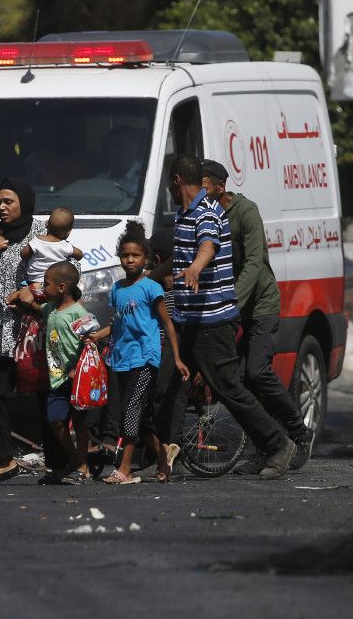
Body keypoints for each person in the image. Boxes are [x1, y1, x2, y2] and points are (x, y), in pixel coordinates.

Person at [164, 154, 296, 479]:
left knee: (229, 389)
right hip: (188, 321)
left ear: (177, 181)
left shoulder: (206, 213)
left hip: (212, 322)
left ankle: (279, 444)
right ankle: (170, 456)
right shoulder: (184, 214)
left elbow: (207, 245)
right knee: (173, 387)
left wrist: (197, 266)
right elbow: (181, 258)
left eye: (169, 181)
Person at [200, 159, 315, 473]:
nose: (198, 193)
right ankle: (267, 446)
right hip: (232, 307)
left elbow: (254, 262)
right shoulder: (206, 217)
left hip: (260, 304)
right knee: (235, 382)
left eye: (203, 186)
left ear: (220, 187)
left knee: (257, 372)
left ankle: (299, 432)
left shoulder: (245, 212)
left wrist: (232, 301)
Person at [87, 221, 188, 484]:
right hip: (120, 359)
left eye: (136, 255)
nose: (130, 260)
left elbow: (167, 324)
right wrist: (95, 337)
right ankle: (163, 458)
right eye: (125, 255)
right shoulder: (117, 289)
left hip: (145, 357)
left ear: (146, 259)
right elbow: (116, 323)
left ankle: (125, 470)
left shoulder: (151, 287)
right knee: (132, 416)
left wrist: (176, 358)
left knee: (132, 411)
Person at [0, 177, 45, 484]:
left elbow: (70, 271)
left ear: (24, 203)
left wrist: (35, 290)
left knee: (43, 393)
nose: (1, 207)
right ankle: (4, 459)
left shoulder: (42, 232)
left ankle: (64, 458)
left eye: (8, 201)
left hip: (33, 329)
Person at [29, 261, 94, 484]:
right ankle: (76, 458)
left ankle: (83, 467)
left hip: (76, 378)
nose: (44, 288)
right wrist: (24, 296)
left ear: (61, 287)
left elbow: (90, 339)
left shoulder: (78, 311)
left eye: (46, 284)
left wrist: (78, 368)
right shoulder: (51, 309)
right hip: (57, 379)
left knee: (79, 421)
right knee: (55, 420)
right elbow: (36, 307)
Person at [134, 228, 190, 482]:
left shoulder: (167, 294)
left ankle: (168, 458)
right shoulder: (173, 291)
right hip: (155, 352)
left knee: (162, 396)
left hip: (169, 354)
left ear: (155, 262)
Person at [20, 206, 84, 299]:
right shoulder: (65, 246)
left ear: (47, 224)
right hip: (53, 286)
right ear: (68, 233)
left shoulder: (36, 241)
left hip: (33, 284)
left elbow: (23, 255)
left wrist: (30, 245)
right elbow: (80, 254)